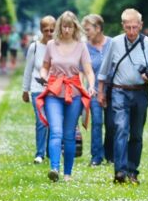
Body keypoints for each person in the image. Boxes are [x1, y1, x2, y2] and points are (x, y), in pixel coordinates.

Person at [97, 8, 148, 184]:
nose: (132, 32)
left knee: (136, 133)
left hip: (140, 92)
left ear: (141, 25)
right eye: (128, 27)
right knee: (121, 128)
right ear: (123, 26)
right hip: (119, 91)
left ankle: (132, 171)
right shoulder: (115, 43)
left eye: (135, 27)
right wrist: (101, 92)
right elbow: (104, 70)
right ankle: (120, 170)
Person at [40, 12, 95, 181]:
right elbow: (44, 67)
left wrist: (91, 86)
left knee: (69, 134)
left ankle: (68, 173)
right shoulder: (51, 44)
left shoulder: (81, 46)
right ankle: (54, 168)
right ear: (59, 27)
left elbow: (88, 70)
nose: (67, 29)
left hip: (74, 93)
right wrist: (44, 76)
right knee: (56, 131)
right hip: (54, 93)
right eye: (64, 26)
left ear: (75, 27)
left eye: (70, 26)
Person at [21, 17, 56, 164]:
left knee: (52, 121)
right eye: (46, 30)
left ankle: (50, 150)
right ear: (41, 30)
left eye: (52, 30)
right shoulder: (34, 47)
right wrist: (25, 90)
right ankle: (40, 153)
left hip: (54, 89)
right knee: (41, 120)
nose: (49, 33)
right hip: (37, 89)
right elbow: (28, 69)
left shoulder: (58, 46)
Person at [83, 14, 112, 166]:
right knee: (97, 122)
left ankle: (110, 154)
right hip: (94, 90)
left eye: (88, 29)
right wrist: (84, 88)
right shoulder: (85, 48)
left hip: (113, 89)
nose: (86, 33)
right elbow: (83, 70)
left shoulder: (112, 44)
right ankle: (96, 157)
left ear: (98, 28)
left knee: (112, 123)